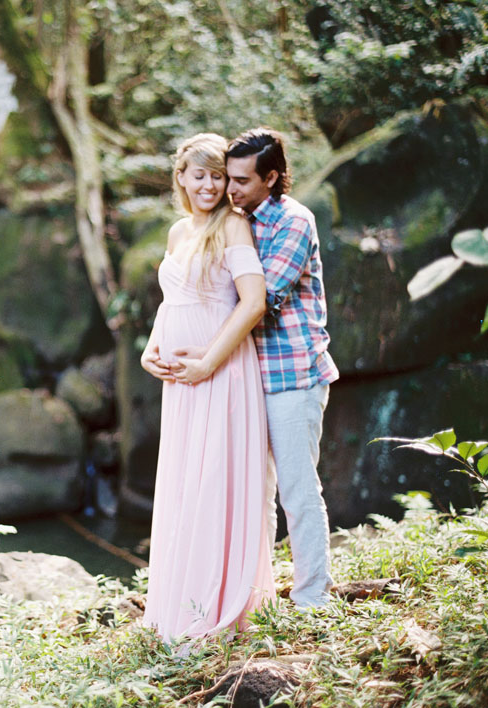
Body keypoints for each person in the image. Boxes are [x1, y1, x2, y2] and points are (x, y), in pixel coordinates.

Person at [140, 133, 276, 642]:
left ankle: (216, 606)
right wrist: (150, 348)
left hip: (222, 373)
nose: (210, 185)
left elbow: (253, 302)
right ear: (181, 177)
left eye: (218, 175)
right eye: (199, 174)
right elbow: (170, 301)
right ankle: (178, 605)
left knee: (215, 479)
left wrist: (209, 362)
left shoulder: (234, 225)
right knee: (184, 482)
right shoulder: (178, 232)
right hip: (181, 382)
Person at [224, 127, 340, 608]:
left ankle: (313, 597)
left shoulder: (294, 221)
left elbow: (261, 300)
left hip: (294, 376)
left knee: (296, 488)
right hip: (249, 378)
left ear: (271, 177)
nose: (231, 189)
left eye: (242, 181)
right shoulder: (236, 220)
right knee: (255, 493)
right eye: (228, 179)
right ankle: (260, 598)